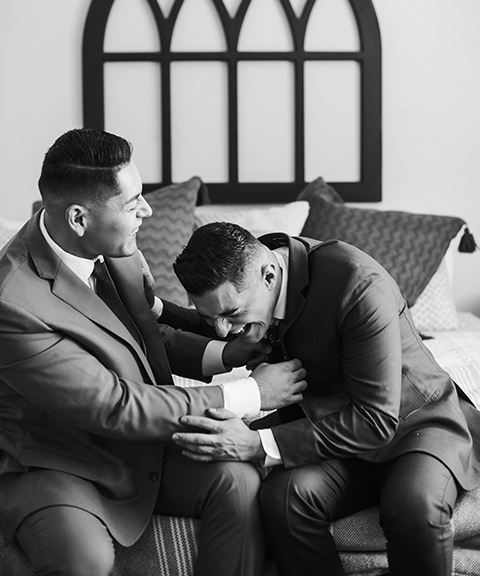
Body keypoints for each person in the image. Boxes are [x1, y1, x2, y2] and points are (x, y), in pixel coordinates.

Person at [0, 129, 307, 576]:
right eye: (133, 203)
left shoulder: (115, 245)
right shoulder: (13, 303)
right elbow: (115, 405)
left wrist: (225, 354)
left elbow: (142, 336)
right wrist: (250, 394)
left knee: (238, 478)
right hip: (58, 462)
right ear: (79, 219)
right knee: (85, 560)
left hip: (145, 445)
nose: (146, 210)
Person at [168, 222, 480, 576]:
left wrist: (257, 443)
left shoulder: (356, 282)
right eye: (214, 318)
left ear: (269, 276)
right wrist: (156, 308)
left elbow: (375, 420)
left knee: (414, 507)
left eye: (231, 315)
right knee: (285, 497)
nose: (223, 331)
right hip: (333, 433)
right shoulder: (257, 279)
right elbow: (209, 320)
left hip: (413, 427)